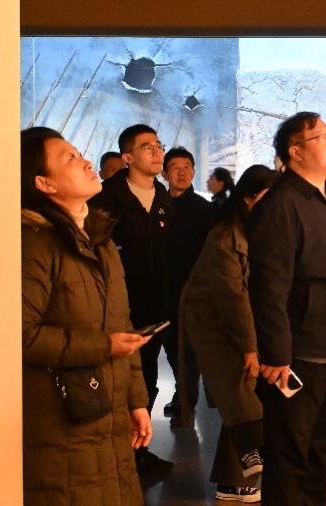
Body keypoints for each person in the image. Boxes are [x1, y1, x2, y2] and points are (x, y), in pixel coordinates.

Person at [22, 127, 152, 504]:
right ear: (44, 183)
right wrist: (103, 346)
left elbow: (122, 327)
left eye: (80, 154)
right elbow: (19, 335)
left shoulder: (99, 237)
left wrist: (136, 401)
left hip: (109, 419)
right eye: (70, 158)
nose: (85, 162)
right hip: (63, 423)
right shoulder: (34, 242)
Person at [248, 112, 326, 505]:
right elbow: (269, 288)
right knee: (291, 455)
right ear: (295, 152)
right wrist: (276, 354)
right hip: (302, 353)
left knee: (322, 449)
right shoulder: (281, 204)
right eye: (321, 137)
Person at [181, 164, 278, 504]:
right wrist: (249, 347)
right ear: (249, 197)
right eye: (268, 198)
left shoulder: (255, 227)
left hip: (239, 322)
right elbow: (232, 297)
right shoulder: (226, 236)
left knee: (243, 400)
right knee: (243, 399)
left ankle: (235, 480)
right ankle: (240, 478)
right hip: (215, 325)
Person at [89, 123, 174, 475]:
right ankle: (111, 454)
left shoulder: (164, 198)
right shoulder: (105, 199)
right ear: (127, 157)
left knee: (146, 378)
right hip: (114, 308)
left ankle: (137, 451)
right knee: (113, 380)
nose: (157, 152)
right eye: (146, 147)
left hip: (155, 307)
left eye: (158, 145)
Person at [161, 146, 215, 425]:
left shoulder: (205, 210)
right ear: (164, 173)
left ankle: (186, 403)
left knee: (189, 350)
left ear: (194, 172)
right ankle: (183, 397)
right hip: (162, 290)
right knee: (173, 349)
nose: (182, 173)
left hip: (194, 293)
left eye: (187, 167)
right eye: (175, 167)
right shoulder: (156, 206)